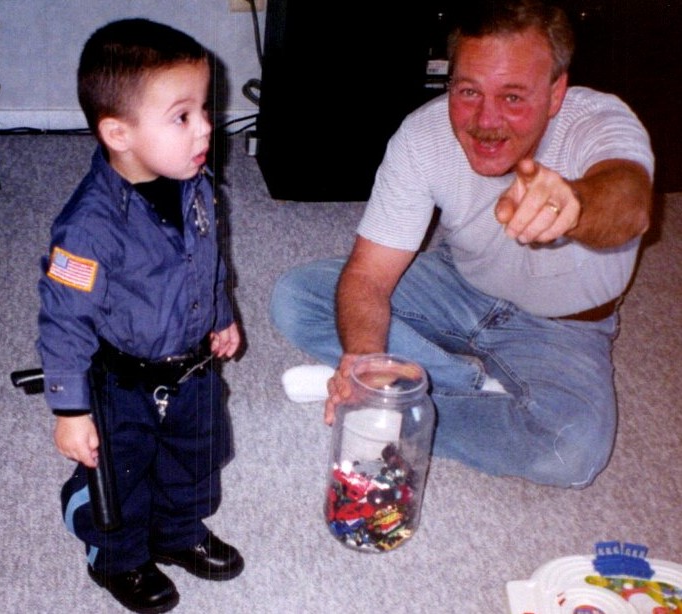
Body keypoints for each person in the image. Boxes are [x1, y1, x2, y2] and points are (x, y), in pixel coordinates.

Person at [269, 0, 654, 489]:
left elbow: (631, 204)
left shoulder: (599, 120)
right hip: (463, 281)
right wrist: (364, 360)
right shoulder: (422, 134)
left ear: (556, 92)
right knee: (297, 297)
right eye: (469, 91)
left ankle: (395, 398)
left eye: (513, 96)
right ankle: (419, 387)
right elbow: (368, 274)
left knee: (569, 452)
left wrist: (576, 204)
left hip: (563, 326)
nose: (485, 120)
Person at [37, 19, 243, 613]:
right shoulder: (87, 228)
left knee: (196, 456)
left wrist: (221, 313)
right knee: (121, 475)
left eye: (204, 109)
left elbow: (208, 260)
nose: (206, 127)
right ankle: (117, 557)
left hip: (193, 366)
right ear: (118, 133)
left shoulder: (196, 184)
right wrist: (71, 410)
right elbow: (64, 319)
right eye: (182, 116)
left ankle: (177, 533)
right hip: (122, 382)